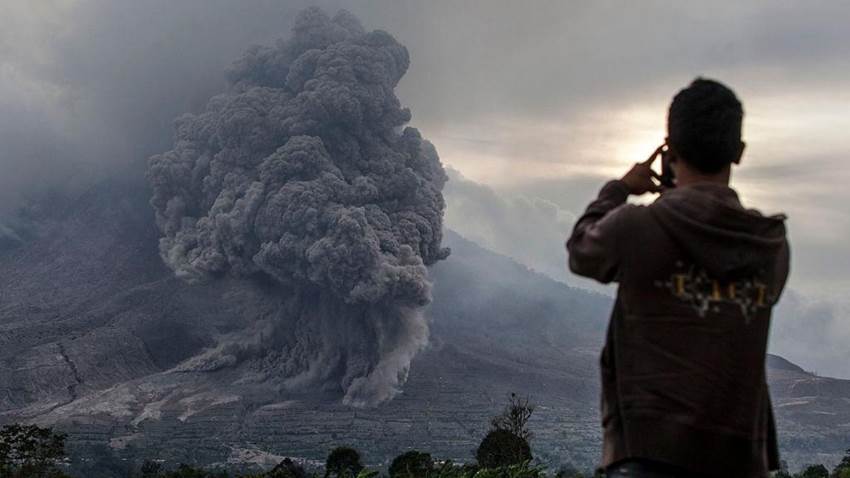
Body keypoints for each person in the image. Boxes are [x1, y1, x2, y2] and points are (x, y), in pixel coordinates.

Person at [566, 78, 790, 478]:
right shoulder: (770, 246)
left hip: (647, 458)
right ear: (738, 152)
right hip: (741, 463)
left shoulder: (637, 228)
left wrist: (619, 188)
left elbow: (582, 250)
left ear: (669, 150)